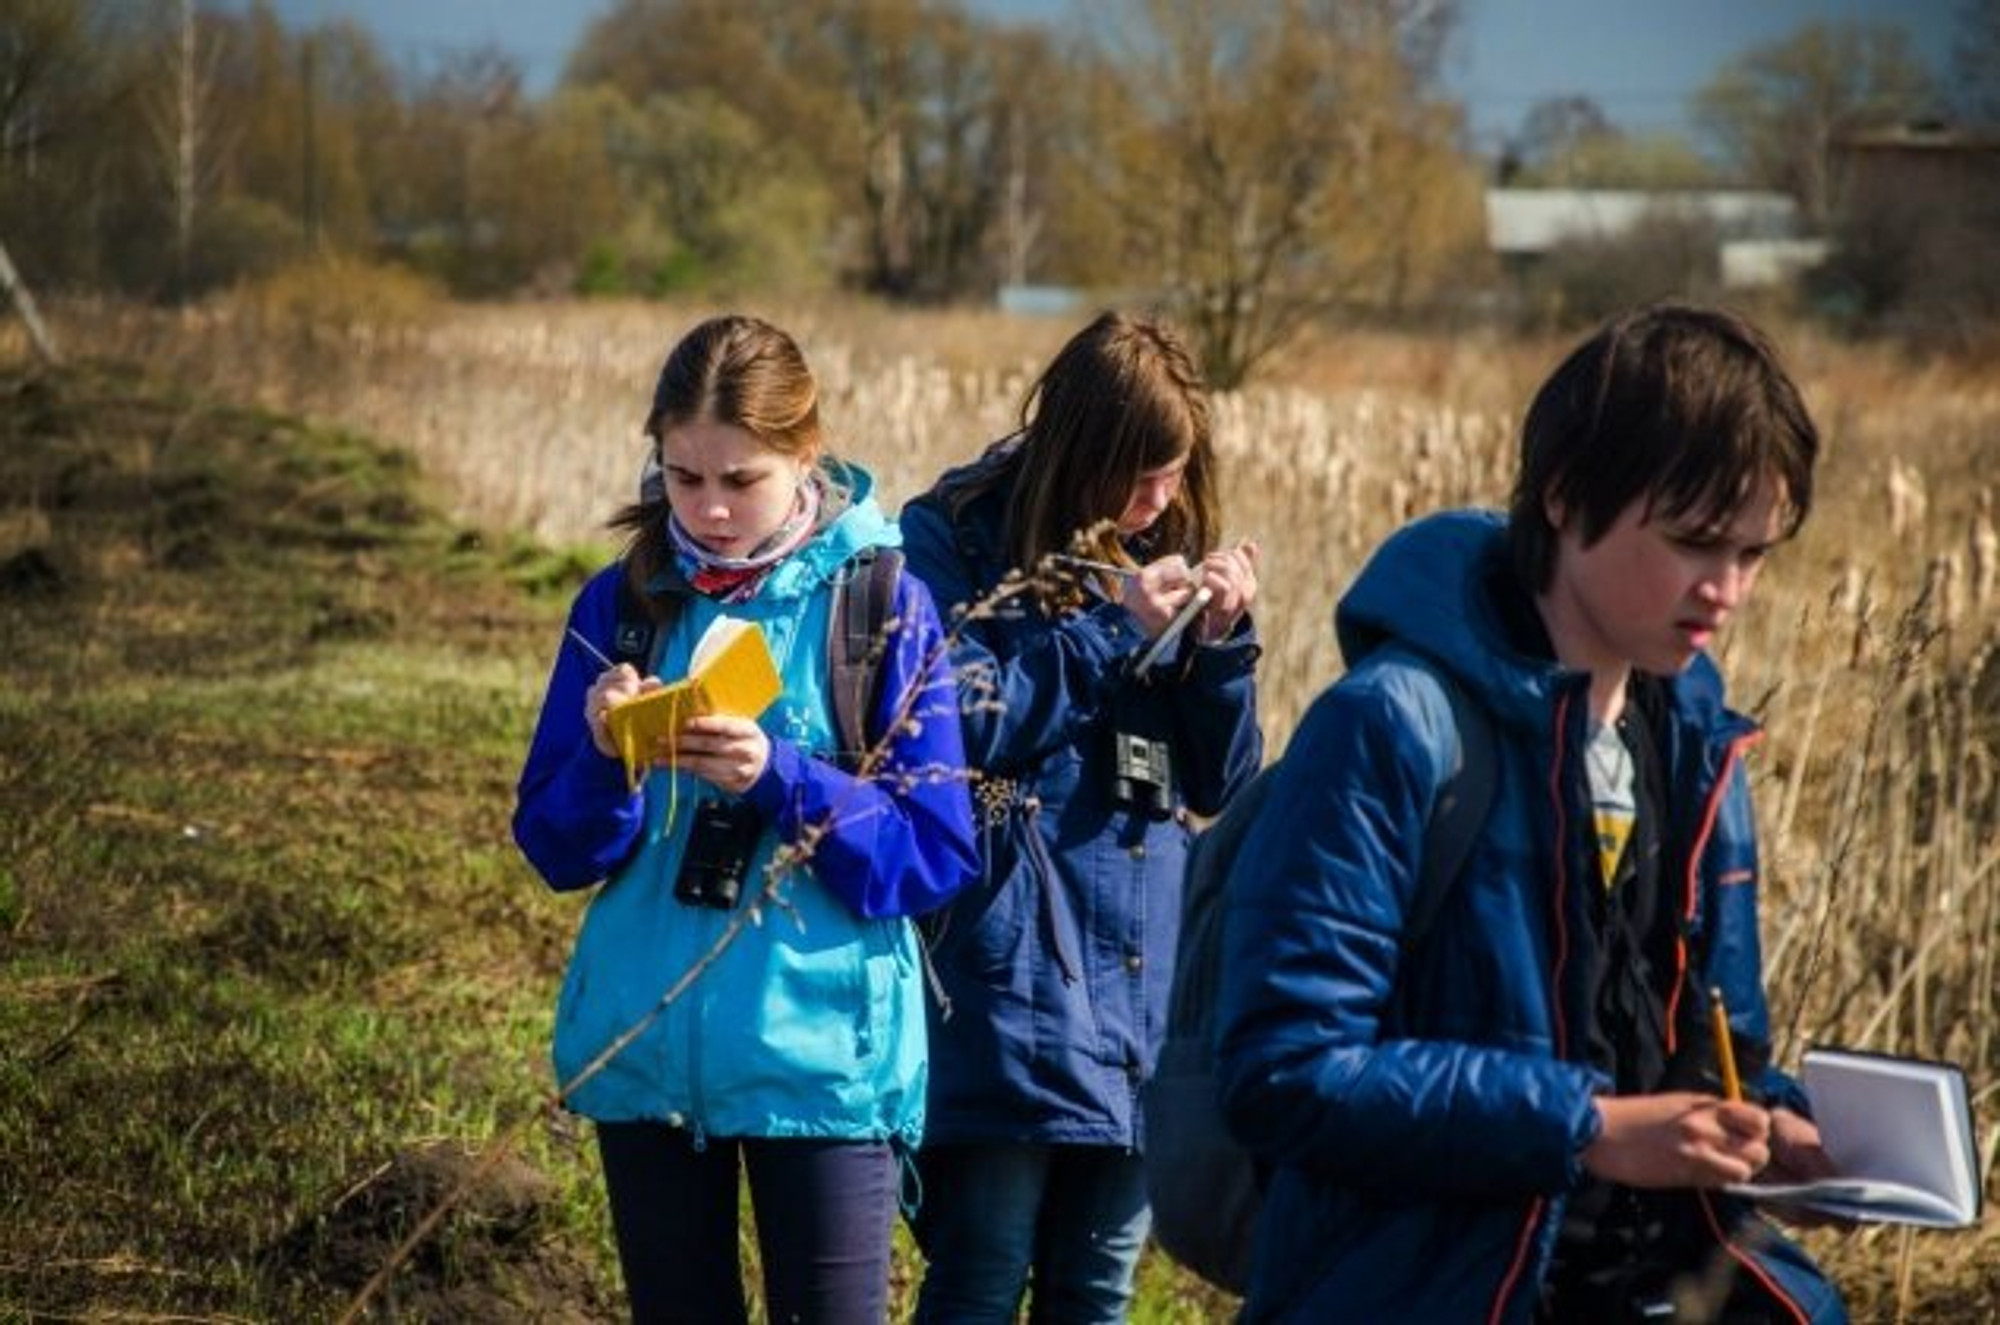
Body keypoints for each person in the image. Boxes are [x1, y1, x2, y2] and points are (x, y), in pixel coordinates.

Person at [1214, 301, 1848, 1323]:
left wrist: (1776, 1137)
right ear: (1561, 495)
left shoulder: (1699, 748)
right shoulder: (1388, 729)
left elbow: (1717, 1056)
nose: (1724, 588)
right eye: (1692, 542)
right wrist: (1584, 1125)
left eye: (1753, 553)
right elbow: (1281, 1070)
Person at [512, 314, 978, 1325]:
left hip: (823, 1064)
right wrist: (607, 756)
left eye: (741, 480)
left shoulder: (884, 604)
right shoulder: (618, 603)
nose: (712, 511)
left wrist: (783, 776)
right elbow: (552, 845)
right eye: (684, 478)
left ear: (804, 458)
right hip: (645, 1049)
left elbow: (936, 851)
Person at [900, 310, 1264, 1323]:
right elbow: (955, 722)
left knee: (1094, 1290)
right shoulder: (953, 536)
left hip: (1141, 984)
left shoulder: (1165, 550)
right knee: (979, 1268)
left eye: (1174, 474)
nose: (1156, 503)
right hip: (999, 971)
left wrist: (1219, 648)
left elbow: (1222, 787)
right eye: (1138, 475)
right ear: (1079, 450)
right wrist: (1114, 631)